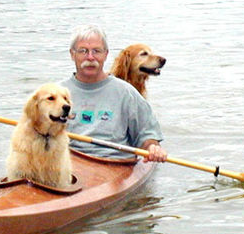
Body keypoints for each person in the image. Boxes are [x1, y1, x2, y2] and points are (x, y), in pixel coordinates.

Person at [60, 24, 168, 163]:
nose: (90, 57)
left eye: (97, 51)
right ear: (72, 54)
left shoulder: (127, 93)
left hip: (112, 163)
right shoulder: (56, 92)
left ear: (106, 54)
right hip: (68, 161)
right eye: (83, 51)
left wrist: (153, 148)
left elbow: (147, 137)